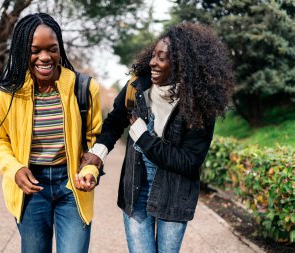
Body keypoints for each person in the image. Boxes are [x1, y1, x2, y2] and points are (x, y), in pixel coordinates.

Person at [78, 22, 234, 252]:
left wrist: (143, 137)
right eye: (153, 55)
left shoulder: (199, 104)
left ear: (182, 65)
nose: (153, 62)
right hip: (136, 190)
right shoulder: (137, 87)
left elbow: (189, 162)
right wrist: (97, 153)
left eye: (162, 58)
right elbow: (114, 122)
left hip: (174, 194)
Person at [0, 13, 102, 253]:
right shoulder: (7, 94)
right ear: (21, 51)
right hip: (30, 189)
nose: (45, 57)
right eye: (35, 50)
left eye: (52, 49)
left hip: (72, 186)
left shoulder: (84, 88)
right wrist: (15, 168)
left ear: (60, 49)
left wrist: (90, 169)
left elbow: (95, 138)